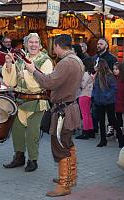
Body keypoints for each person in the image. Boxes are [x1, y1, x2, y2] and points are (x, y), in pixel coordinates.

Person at [25, 34, 83, 197]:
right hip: (69, 107)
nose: (53, 49)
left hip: (63, 111)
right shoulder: (76, 60)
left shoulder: (66, 63)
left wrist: (33, 70)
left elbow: (48, 82)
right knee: (67, 143)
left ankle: (65, 184)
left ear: (58, 45)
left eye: (54, 46)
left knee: (60, 146)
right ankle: (70, 178)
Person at [2, 33, 53, 172]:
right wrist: (8, 64)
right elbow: (11, 82)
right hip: (20, 101)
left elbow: (44, 82)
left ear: (40, 45)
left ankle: (33, 160)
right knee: (17, 132)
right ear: (25, 44)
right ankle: (19, 157)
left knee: (33, 133)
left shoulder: (45, 60)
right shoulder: (19, 59)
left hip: (37, 101)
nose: (33, 45)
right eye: (30, 42)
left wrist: (26, 72)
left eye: (36, 42)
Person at [92, 59, 124, 148]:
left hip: (109, 102)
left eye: (96, 65)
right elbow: (95, 88)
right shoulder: (97, 76)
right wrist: (94, 96)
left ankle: (121, 138)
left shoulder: (109, 76)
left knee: (113, 120)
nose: (94, 67)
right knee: (101, 121)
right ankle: (103, 140)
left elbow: (114, 88)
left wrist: (106, 96)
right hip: (99, 102)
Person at [75, 57, 95, 139]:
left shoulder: (85, 74)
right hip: (89, 95)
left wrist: (78, 81)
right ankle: (90, 130)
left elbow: (82, 85)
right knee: (88, 114)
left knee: (84, 114)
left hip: (83, 95)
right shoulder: (90, 74)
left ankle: (85, 132)